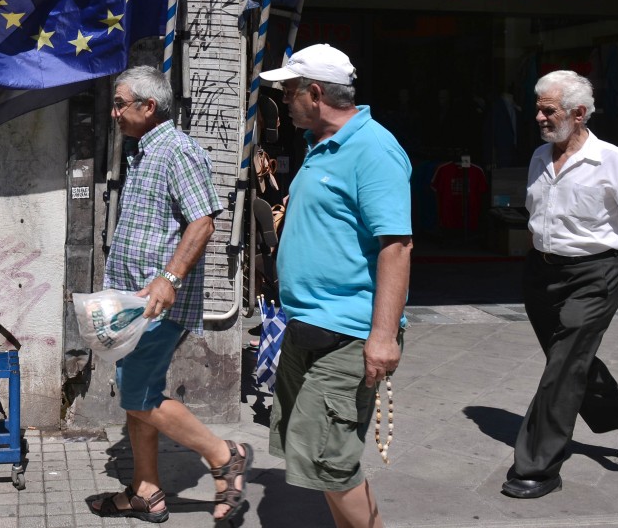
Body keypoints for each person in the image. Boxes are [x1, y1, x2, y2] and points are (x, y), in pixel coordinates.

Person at [501, 70, 618, 499]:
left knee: (562, 369)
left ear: (579, 113)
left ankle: (537, 465)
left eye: (549, 110)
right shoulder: (540, 156)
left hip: (595, 275)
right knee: (570, 363)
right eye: (539, 109)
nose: (539, 118)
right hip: (542, 274)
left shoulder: (616, 161)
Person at [89, 65, 253, 524]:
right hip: (134, 301)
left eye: (120, 104)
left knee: (138, 395)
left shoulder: (178, 150)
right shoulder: (144, 151)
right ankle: (146, 491)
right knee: (138, 391)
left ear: (148, 106)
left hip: (158, 302)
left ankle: (224, 455)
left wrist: (169, 278)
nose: (114, 113)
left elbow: (203, 222)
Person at [259, 44, 413, 528]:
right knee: (317, 459)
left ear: (316, 93)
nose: (284, 101)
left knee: (330, 461)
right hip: (307, 326)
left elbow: (396, 247)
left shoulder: (374, 150)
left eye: (289, 91)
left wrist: (383, 337)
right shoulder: (321, 143)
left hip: (347, 334)